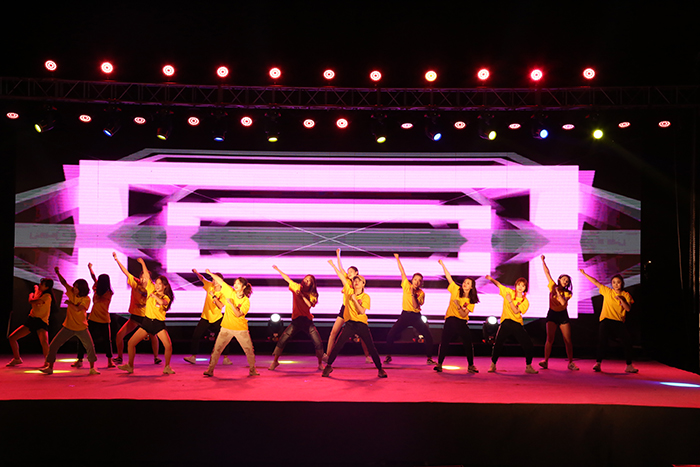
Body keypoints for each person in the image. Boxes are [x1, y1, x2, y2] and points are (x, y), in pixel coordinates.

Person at [322, 259, 387, 378]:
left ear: (363, 284)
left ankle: (380, 369)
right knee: (338, 344)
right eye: (355, 280)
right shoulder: (349, 291)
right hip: (350, 324)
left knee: (371, 347)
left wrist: (355, 300)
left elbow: (361, 311)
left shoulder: (365, 297)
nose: (356, 282)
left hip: (362, 324)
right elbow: (341, 277)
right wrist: (333, 265)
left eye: (359, 280)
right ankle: (328, 366)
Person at [117, 258, 175, 375]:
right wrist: (143, 263)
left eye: (160, 284)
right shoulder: (151, 289)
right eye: (156, 283)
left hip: (158, 324)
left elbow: (162, 303)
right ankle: (130, 366)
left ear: (165, 286)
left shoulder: (166, 297)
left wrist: (155, 297)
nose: (157, 285)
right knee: (131, 343)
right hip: (147, 322)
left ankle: (167, 367)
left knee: (168, 345)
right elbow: (147, 277)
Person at [40, 267, 99, 375]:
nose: (74, 288)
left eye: (76, 287)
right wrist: (58, 272)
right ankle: (50, 367)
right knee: (53, 345)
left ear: (81, 289)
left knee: (90, 347)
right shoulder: (71, 292)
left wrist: (69, 303)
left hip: (81, 327)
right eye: (74, 286)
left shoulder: (86, 299)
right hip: (68, 326)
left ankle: (92, 368)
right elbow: (64, 282)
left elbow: (78, 309)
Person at [580, 269, 638, 373]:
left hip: (618, 321)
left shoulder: (626, 295)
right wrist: (584, 274)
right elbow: (596, 282)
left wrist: (622, 300)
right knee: (602, 341)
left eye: (618, 282)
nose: (616, 284)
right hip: (606, 320)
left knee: (627, 341)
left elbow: (628, 309)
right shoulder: (607, 291)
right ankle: (598, 364)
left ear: (622, 283)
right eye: (614, 282)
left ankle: (629, 365)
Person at [203, 270, 258, 377]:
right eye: (235, 283)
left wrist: (231, 304)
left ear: (243, 287)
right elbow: (221, 281)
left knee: (248, 350)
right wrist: (210, 273)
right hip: (226, 327)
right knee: (217, 349)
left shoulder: (246, 301)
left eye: (238, 284)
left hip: (240, 329)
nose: (235, 285)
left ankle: (252, 369)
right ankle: (210, 369)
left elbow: (238, 314)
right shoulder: (230, 292)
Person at [269, 265, 324, 371]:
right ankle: (275, 361)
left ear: (312, 284)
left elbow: (309, 305)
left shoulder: (313, 294)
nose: (306, 281)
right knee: (283, 339)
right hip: (296, 321)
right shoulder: (297, 287)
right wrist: (278, 269)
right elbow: (287, 279)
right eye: (305, 279)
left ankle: (320, 363)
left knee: (317, 342)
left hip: (307, 321)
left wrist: (302, 295)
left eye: (309, 280)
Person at [384, 253, 435, 365]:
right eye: (415, 279)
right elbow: (402, 271)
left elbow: (416, 306)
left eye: (419, 280)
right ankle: (388, 356)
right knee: (391, 334)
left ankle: (429, 358)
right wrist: (397, 258)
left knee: (428, 336)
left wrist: (412, 294)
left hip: (416, 316)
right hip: (405, 315)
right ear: (412, 280)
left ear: (421, 283)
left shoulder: (421, 293)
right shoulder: (406, 285)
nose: (417, 282)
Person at [323, 249, 373, 364]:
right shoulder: (346, 281)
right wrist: (337, 255)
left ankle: (367, 356)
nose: (348, 273)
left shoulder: (358, 283)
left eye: (351, 271)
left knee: (363, 335)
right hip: (345, 309)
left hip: (355, 311)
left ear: (357, 273)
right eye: (348, 271)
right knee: (333, 332)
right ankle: (328, 355)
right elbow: (340, 269)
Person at [112, 252, 160, 364]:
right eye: (141, 277)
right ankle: (119, 357)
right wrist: (117, 260)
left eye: (145, 278)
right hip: (135, 317)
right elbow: (125, 272)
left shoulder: (151, 286)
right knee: (119, 335)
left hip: (147, 317)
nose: (143, 280)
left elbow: (158, 302)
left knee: (154, 336)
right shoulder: (135, 283)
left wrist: (142, 263)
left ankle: (156, 357)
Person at [486, 275, 538, 374]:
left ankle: (528, 366)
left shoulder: (525, 301)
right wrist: (491, 279)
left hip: (516, 323)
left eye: (523, 286)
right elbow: (499, 285)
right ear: (516, 285)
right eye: (519, 285)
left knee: (528, 344)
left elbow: (516, 311)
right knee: (498, 344)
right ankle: (493, 364)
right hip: (506, 322)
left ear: (525, 288)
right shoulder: (509, 292)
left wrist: (509, 300)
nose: (520, 287)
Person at [434, 259, 479, 374]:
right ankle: (439, 364)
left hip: (461, 322)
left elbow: (464, 314)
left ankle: (471, 365)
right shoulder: (456, 290)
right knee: (444, 342)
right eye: (464, 282)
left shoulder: (470, 300)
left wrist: (458, 306)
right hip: (450, 320)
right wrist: (443, 265)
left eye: (468, 283)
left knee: (468, 343)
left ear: (471, 287)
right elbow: (449, 278)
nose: (465, 284)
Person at [183, 269, 233, 366]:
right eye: (213, 279)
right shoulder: (210, 286)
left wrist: (213, 296)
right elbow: (202, 279)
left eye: (216, 279)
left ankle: (226, 358)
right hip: (206, 316)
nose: (214, 281)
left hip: (217, 317)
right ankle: (193, 357)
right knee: (196, 335)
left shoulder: (224, 293)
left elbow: (220, 306)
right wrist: (196, 272)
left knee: (224, 337)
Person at [538, 255, 578, 370]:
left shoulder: (567, 293)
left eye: (567, 281)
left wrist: (557, 292)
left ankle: (570, 362)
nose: (565, 282)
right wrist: (543, 261)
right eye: (564, 279)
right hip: (552, 314)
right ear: (559, 279)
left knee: (567, 340)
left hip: (562, 315)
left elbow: (563, 303)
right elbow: (547, 273)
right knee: (550, 339)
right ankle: (545, 361)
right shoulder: (552, 285)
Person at [6, 277, 56, 367]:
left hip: (41, 321)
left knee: (44, 342)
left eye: (42, 284)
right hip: (32, 320)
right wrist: (36, 289)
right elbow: (36, 289)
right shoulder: (40, 292)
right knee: (12, 338)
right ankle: (17, 358)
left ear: (47, 287)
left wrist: (31, 295)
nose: (40, 285)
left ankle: (48, 362)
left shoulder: (47, 296)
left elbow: (32, 301)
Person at [73, 263, 114, 369]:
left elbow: (99, 297)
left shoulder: (108, 293)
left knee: (107, 341)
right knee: (83, 338)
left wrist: (96, 288)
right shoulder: (97, 288)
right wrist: (90, 268)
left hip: (104, 319)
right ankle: (80, 359)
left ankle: (110, 361)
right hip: (93, 318)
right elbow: (93, 277)